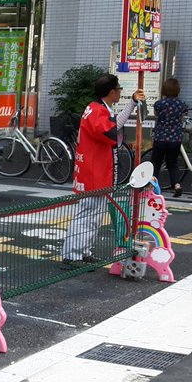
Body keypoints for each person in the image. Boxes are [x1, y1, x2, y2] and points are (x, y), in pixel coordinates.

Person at [61, 74, 146, 268]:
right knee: (87, 214)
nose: (120, 92)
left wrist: (132, 103)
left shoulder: (96, 108)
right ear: (111, 92)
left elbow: (113, 127)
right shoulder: (97, 111)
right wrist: (132, 104)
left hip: (94, 170)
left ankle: (82, 252)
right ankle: (72, 255)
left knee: (93, 215)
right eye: (119, 89)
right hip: (93, 172)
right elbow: (111, 130)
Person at [151, 77, 191, 197]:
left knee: (156, 163)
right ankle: (177, 185)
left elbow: (156, 115)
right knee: (172, 163)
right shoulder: (182, 105)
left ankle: (152, 187)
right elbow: (182, 117)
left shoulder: (159, 104)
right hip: (175, 138)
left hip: (160, 137)